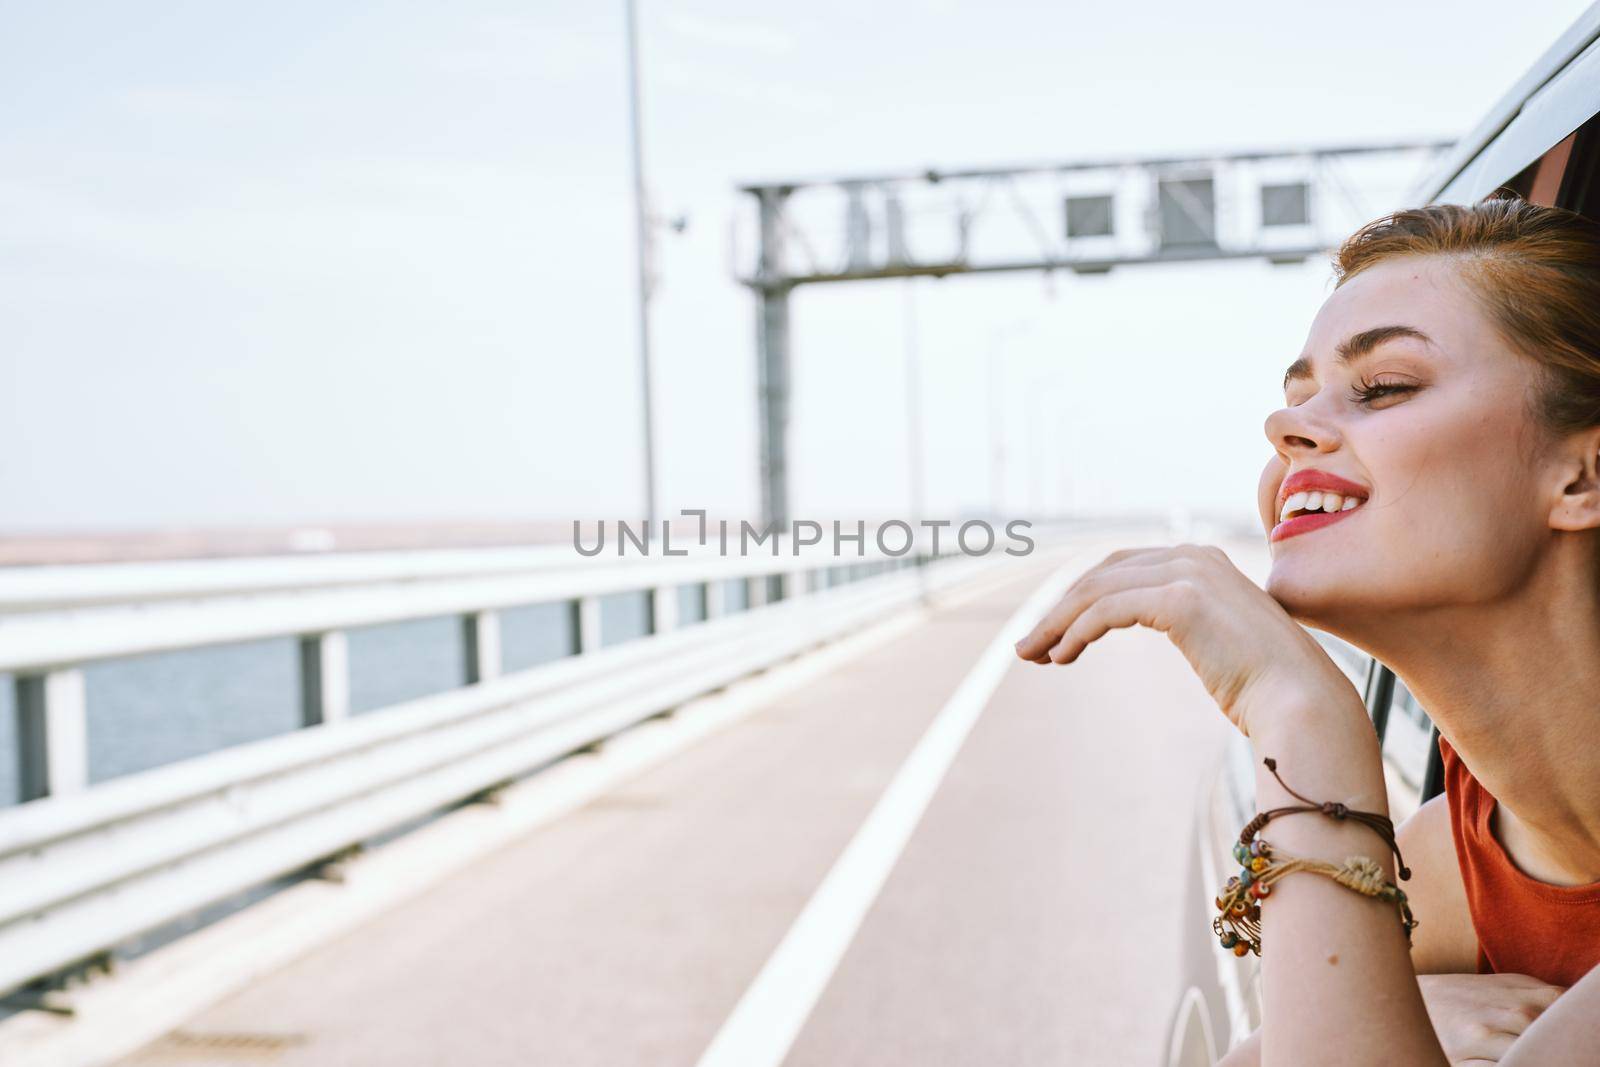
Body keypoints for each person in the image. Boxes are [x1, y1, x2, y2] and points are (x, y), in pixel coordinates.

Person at [1013, 196, 1600, 1065]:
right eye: (1299, 399)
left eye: (1384, 387)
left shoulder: (1434, 870)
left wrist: (1304, 718)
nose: (1284, 429)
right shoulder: (1462, 861)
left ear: (1583, 475)